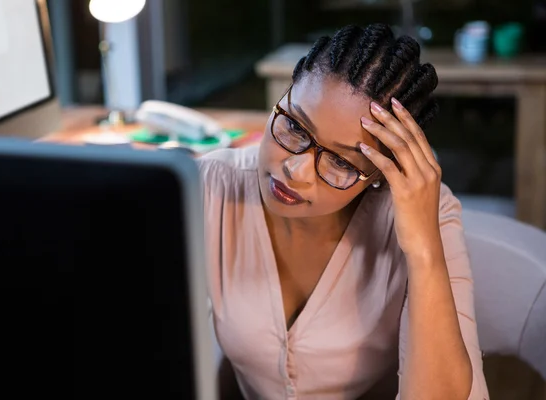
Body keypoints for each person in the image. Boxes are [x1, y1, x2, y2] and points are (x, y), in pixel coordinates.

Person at [199, 23, 489, 400]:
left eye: (339, 161)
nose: (295, 170)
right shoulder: (210, 186)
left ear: (379, 175)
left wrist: (423, 251)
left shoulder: (428, 216)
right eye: (294, 126)